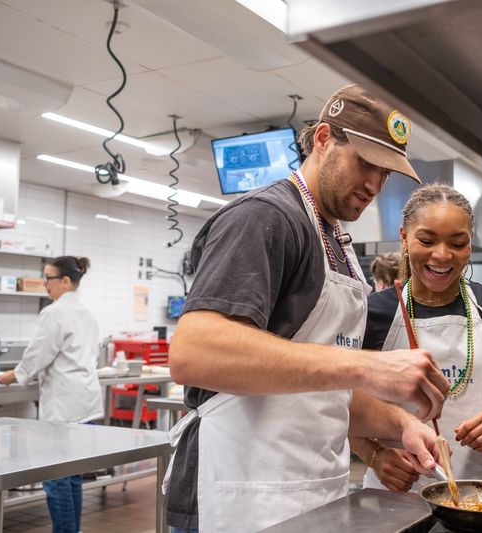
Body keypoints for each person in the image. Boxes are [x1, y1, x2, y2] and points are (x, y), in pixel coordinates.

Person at [164, 85, 450, 533]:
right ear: (322, 139)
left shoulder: (336, 239)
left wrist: (400, 425)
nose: (375, 184)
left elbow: (323, 391)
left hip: (314, 492)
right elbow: (192, 352)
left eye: (387, 174)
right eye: (366, 163)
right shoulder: (266, 217)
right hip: (241, 496)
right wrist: (363, 366)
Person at [352, 184, 482, 491]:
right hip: (395, 494)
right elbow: (340, 404)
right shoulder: (372, 313)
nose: (442, 254)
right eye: (427, 240)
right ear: (404, 238)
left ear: (469, 245)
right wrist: (374, 455)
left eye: (457, 243)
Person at [0, 256, 102, 533]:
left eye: (49, 278)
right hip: (85, 401)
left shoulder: (54, 313)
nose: (45, 284)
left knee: (54, 475)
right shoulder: (87, 313)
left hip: (64, 405)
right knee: (73, 474)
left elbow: (37, 354)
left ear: (66, 281)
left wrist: (14, 375)